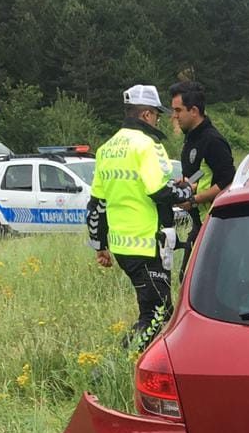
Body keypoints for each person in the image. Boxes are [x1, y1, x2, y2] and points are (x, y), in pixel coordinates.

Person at [88, 84, 181, 347]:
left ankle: (138, 362)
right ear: (147, 115)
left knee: (155, 310)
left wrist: (100, 245)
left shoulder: (106, 148)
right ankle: (117, 365)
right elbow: (159, 190)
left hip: (122, 247)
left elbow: (96, 203)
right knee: (157, 316)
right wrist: (185, 191)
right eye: (157, 115)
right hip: (148, 243)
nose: (158, 120)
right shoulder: (148, 145)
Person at [167, 79, 235, 283]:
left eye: (178, 110)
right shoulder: (191, 139)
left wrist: (194, 199)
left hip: (216, 224)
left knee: (197, 281)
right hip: (198, 223)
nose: (175, 116)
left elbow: (228, 181)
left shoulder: (213, 141)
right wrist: (185, 183)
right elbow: (201, 174)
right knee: (187, 279)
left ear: (194, 110)